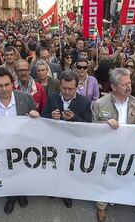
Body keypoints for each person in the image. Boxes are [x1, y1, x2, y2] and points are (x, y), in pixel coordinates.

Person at [0, 67, 39, 215]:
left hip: (22, 147)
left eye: (7, 84)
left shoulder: (26, 99)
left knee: (22, 172)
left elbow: (37, 124)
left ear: (13, 83)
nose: (4, 89)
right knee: (5, 173)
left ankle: (22, 194)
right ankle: (11, 197)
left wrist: (35, 115)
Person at [91, 68, 135, 222]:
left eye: (129, 82)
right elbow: (92, 127)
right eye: (124, 84)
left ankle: (127, 197)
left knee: (127, 174)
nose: (129, 86)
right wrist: (105, 123)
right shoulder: (100, 104)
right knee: (105, 177)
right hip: (107, 149)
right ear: (114, 87)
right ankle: (102, 205)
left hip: (129, 148)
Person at [41, 71, 92, 208]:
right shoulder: (52, 98)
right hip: (54, 142)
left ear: (76, 88)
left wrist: (74, 118)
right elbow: (42, 116)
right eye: (64, 88)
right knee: (54, 167)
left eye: (70, 89)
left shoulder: (84, 102)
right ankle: (53, 189)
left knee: (69, 170)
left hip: (73, 143)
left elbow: (88, 125)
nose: (67, 92)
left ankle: (66, 194)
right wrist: (50, 116)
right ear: (60, 87)